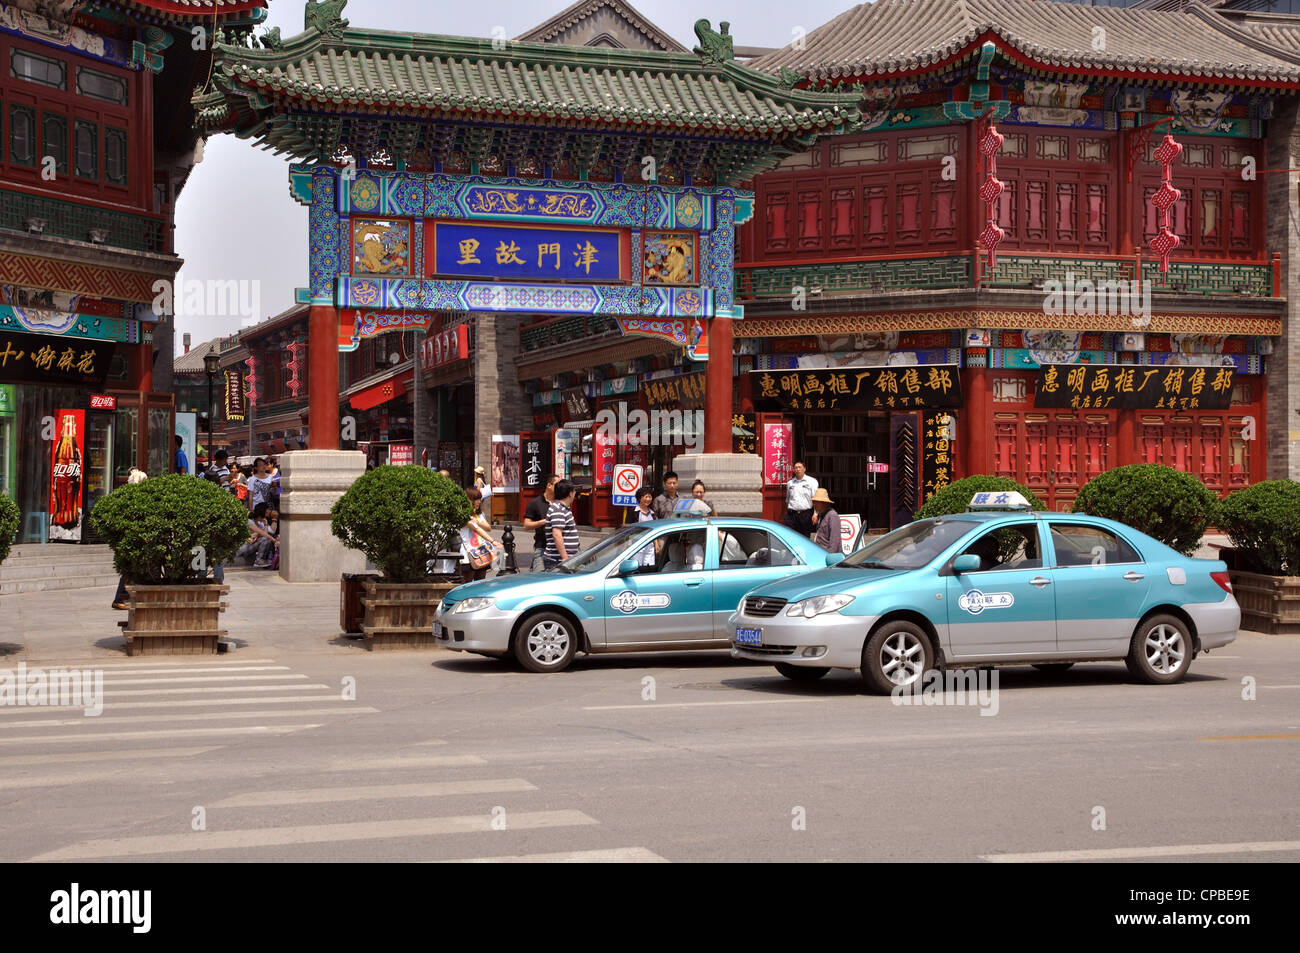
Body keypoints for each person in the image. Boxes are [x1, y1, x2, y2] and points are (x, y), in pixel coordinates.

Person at [111, 467, 148, 609]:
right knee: (130, 569)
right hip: (130, 540)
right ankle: (120, 598)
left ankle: (126, 597)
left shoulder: (130, 498)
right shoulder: (133, 500)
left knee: (132, 569)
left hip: (131, 539)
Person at [522, 472, 559, 573]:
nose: (560, 488)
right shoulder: (535, 503)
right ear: (549, 485)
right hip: (542, 546)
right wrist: (543, 522)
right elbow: (526, 525)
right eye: (557, 485)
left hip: (559, 547)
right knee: (539, 577)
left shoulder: (560, 502)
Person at [459, 485, 494, 582]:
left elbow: (488, 527)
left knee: (481, 581)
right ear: (469, 500)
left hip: (481, 551)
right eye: (476, 499)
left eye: (480, 499)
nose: (479, 502)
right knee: (467, 582)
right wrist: (493, 541)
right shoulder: (463, 514)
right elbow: (477, 529)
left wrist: (477, 521)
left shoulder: (479, 514)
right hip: (468, 552)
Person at [543, 479, 580, 569]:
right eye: (574, 491)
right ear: (570, 493)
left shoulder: (562, 508)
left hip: (564, 559)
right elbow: (557, 534)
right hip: (557, 560)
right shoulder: (558, 509)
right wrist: (565, 558)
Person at [235, 502, 277, 568]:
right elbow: (263, 534)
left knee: (267, 538)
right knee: (267, 538)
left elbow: (264, 534)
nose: (270, 511)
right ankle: (259, 560)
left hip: (250, 546)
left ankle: (264, 559)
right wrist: (274, 540)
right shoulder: (250, 521)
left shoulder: (260, 523)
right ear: (264, 511)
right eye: (268, 509)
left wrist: (265, 524)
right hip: (242, 548)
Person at [784, 461, 818, 538]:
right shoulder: (790, 483)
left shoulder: (812, 481)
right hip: (792, 514)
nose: (798, 469)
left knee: (804, 537)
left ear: (804, 469)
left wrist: (815, 514)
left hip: (805, 514)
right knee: (790, 536)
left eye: (800, 467)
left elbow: (815, 499)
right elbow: (788, 499)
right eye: (796, 468)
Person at [810, 487, 842, 555]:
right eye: (814, 502)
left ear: (824, 503)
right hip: (821, 553)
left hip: (828, 555)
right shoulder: (821, 514)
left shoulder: (832, 516)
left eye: (816, 502)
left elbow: (835, 541)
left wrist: (830, 557)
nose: (814, 504)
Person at [632, 489, 659, 568]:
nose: (648, 499)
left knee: (649, 566)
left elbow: (655, 529)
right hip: (637, 543)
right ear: (640, 498)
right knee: (637, 565)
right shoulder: (634, 511)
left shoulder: (652, 513)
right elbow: (628, 528)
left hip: (649, 544)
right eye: (646, 497)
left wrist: (656, 544)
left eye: (650, 497)